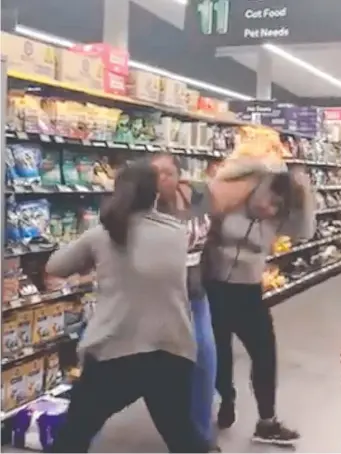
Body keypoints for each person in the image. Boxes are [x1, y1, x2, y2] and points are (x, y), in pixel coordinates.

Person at [47, 161, 210, 453]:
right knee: (182, 435)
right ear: (155, 196)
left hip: (116, 349)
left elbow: (55, 267)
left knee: (75, 434)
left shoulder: (102, 234)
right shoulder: (176, 234)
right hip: (172, 349)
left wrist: (91, 261)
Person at [151, 153, 265, 449]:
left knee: (204, 359)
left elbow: (240, 181)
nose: (161, 178)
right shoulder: (143, 205)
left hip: (195, 294)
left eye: (167, 172)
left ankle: (199, 437)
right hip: (155, 300)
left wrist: (266, 164)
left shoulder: (198, 196)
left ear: (179, 175)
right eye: (154, 173)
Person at [204, 157, 316, 446]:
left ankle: (267, 421)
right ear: (255, 189)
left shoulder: (275, 218)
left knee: (265, 354)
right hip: (213, 288)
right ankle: (226, 399)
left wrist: (306, 194)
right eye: (269, 199)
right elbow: (223, 177)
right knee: (220, 355)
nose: (271, 208)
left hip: (248, 293)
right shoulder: (231, 203)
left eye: (278, 205)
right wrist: (266, 166)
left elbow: (305, 231)